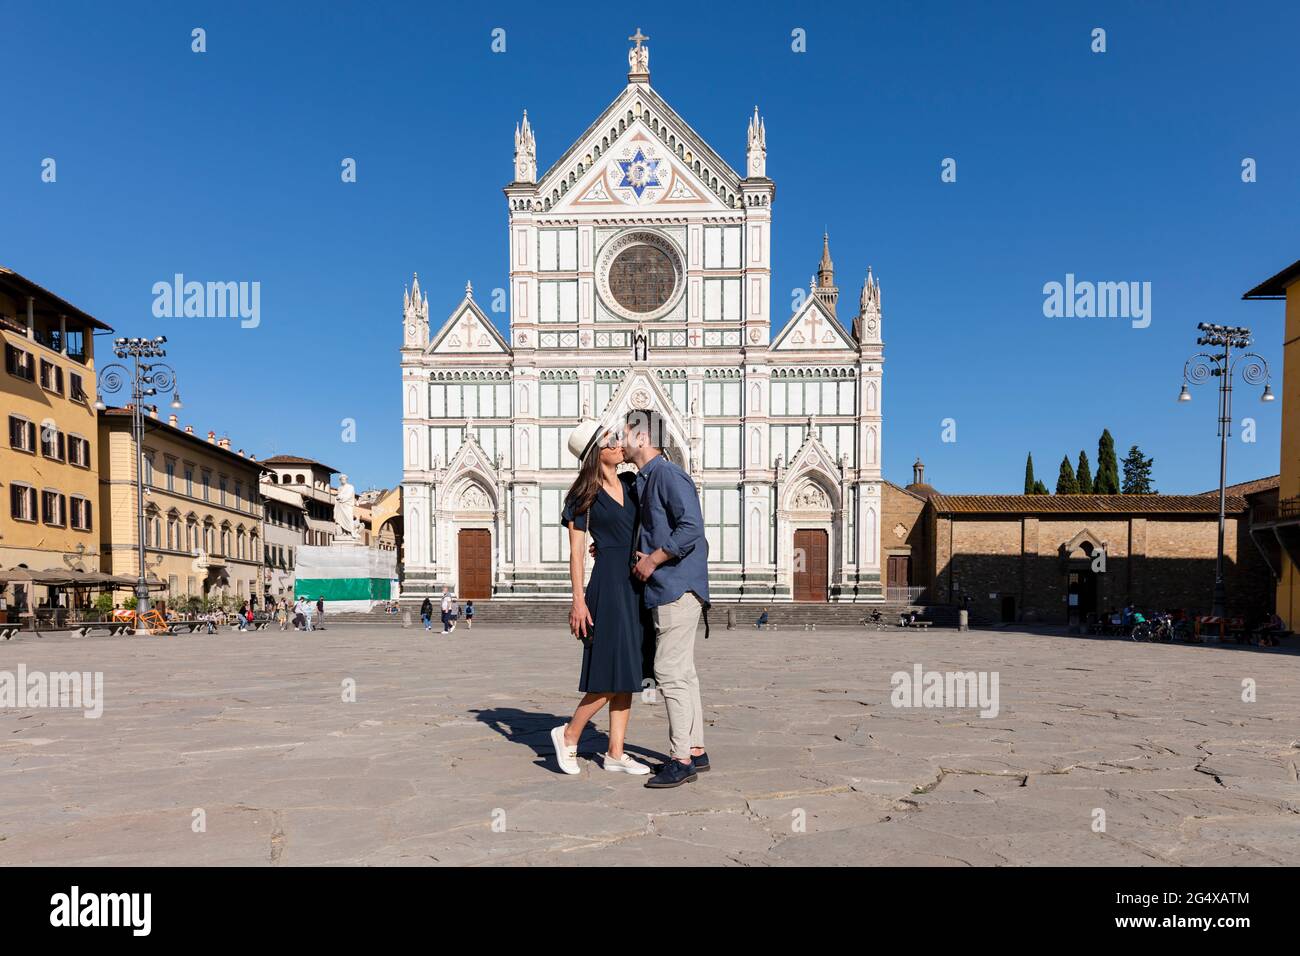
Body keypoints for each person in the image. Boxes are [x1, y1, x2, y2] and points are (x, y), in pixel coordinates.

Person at [550, 420, 653, 778]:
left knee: (629, 673)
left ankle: (615, 752)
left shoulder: (631, 484)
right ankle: (569, 733)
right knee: (610, 672)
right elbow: (576, 553)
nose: (620, 442)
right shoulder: (582, 496)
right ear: (598, 451)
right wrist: (578, 600)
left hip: (636, 584)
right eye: (612, 439)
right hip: (606, 586)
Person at [624, 410, 711, 789]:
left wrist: (655, 559)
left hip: (676, 587)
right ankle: (695, 749)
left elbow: (692, 526)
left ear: (641, 437)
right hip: (671, 588)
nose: (619, 440)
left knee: (669, 673)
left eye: (623, 433)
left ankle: (680, 760)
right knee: (684, 674)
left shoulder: (667, 474)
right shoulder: (649, 478)